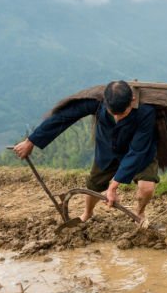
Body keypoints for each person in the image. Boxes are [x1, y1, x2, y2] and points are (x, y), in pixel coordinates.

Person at [12, 80, 159, 225]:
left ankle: (139, 213)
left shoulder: (146, 112)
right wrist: (31, 141)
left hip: (140, 152)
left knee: (146, 187)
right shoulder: (97, 102)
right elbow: (64, 116)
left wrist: (113, 187)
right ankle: (87, 213)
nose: (117, 118)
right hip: (107, 151)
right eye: (113, 113)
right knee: (94, 186)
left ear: (132, 100)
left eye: (123, 113)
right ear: (106, 103)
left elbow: (137, 151)